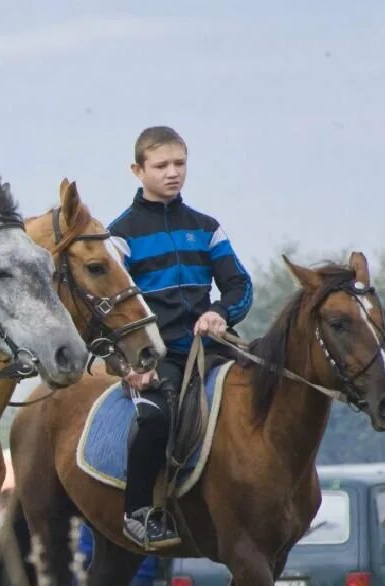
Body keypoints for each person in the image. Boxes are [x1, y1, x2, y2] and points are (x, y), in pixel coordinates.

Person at [109, 126, 253, 550]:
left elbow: (240, 286)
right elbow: (111, 313)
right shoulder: (121, 236)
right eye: (161, 166)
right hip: (160, 356)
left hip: (217, 346)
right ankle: (138, 512)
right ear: (137, 170)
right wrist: (129, 367)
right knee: (154, 418)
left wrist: (219, 312)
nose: (172, 173)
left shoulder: (207, 228)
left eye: (179, 164)